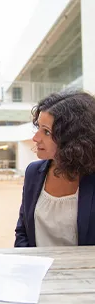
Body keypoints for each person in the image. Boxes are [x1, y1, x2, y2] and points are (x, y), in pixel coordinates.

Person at [15, 90, 95, 247]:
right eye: (38, 127)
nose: (35, 138)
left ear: (72, 139)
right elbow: (23, 232)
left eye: (46, 131)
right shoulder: (33, 173)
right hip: (39, 269)